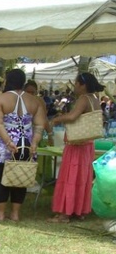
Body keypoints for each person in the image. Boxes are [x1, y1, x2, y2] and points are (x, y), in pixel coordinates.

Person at [0, 68, 46, 222]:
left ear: (7, 80)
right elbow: (39, 125)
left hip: (2, 142)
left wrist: (8, 141)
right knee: (21, 175)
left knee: (0, 177)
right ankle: (15, 214)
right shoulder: (34, 101)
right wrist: (35, 143)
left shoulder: (1, 99)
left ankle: (0, 213)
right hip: (26, 143)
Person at [47, 72, 105, 223]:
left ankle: (64, 214)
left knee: (70, 177)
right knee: (82, 178)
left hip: (76, 144)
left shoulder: (84, 98)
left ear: (82, 85)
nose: (75, 86)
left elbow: (73, 117)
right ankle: (79, 211)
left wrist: (57, 119)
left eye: (76, 83)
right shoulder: (95, 99)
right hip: (87, 144)